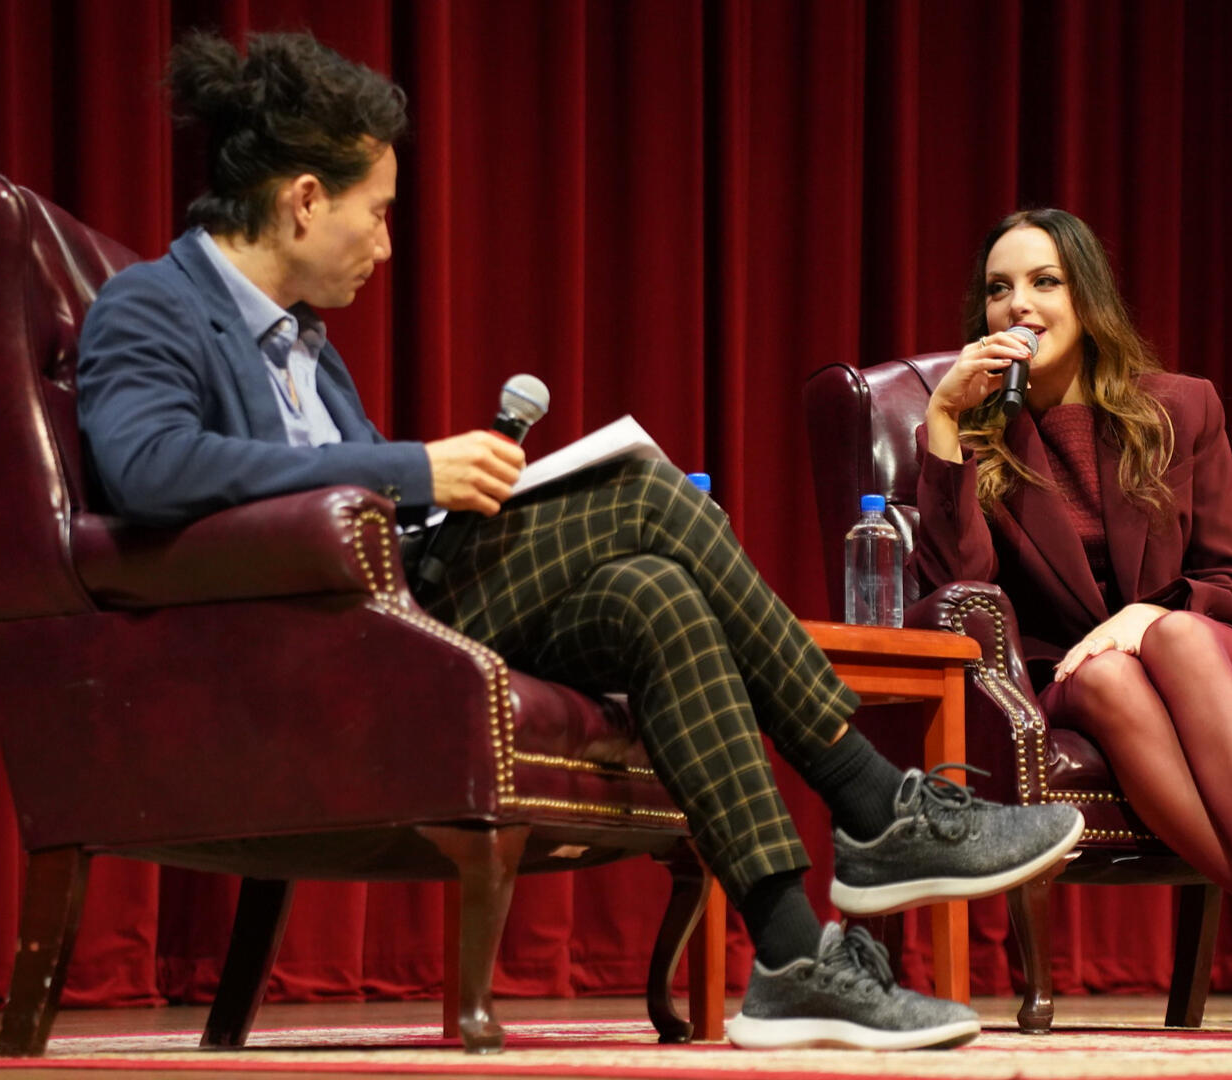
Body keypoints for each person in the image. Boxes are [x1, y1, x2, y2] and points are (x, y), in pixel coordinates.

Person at [75, 31, 1085, 1052]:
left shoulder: (308, 348)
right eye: (375, 213)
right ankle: (871, 803)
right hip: (302, 647)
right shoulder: (152, 305)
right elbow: (150, 469)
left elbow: (357, 507)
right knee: (644, 493)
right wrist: (414, 470)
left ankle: (790, 958)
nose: (384, 246)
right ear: (303, 201)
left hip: (396, 602)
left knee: (656, 594)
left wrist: (448, 497)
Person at [910, 208, 1232, 1041]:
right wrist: (945, 422)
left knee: (1173, 637)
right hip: (1076, 678)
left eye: (1045, 282)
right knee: (1110, 673)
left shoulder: (1181, 408)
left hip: (1210, 651)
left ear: (1087, 299)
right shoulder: (974, 438)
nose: (1020, 305)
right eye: (998, 289)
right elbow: (961, 593)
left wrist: (1143, 616)